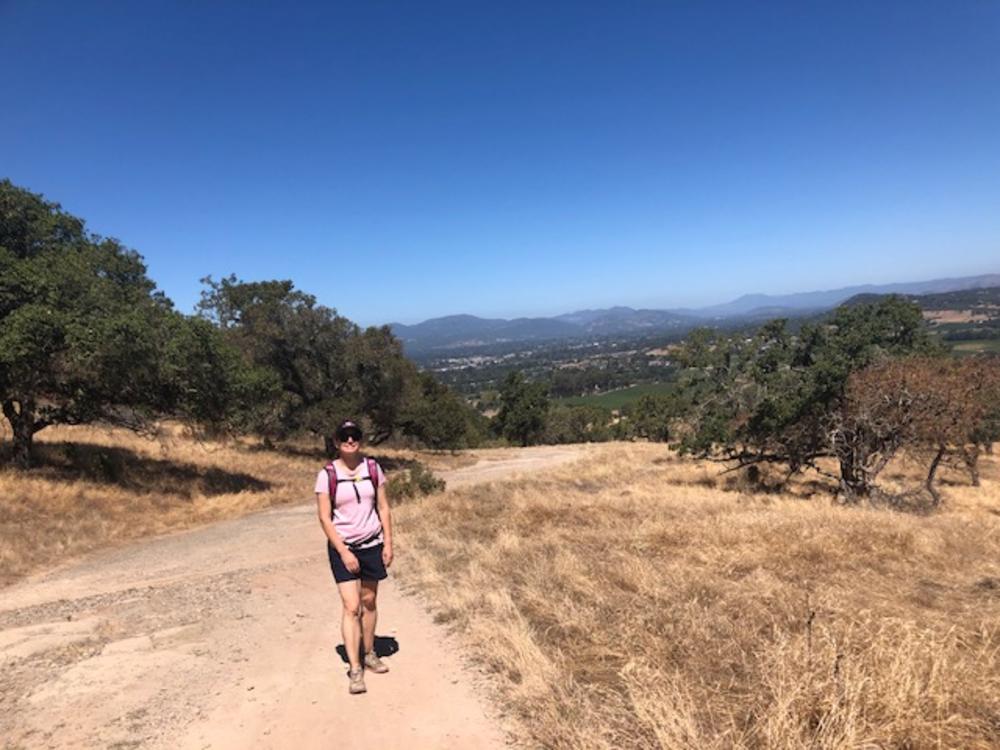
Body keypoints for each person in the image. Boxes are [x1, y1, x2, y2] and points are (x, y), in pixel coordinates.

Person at [314, 419, 394, 695]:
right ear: (336, 442)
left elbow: (383, 508)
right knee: (351, 606)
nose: (350, 440)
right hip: (343, 547)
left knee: (369, 601)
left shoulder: (373, 468)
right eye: (344, 437)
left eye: (355, 435)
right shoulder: (327, 474)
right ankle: (355, 667)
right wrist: (344, 551)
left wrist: (389, 542)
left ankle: (370, 652)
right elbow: (324, 517)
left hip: (372, 544)